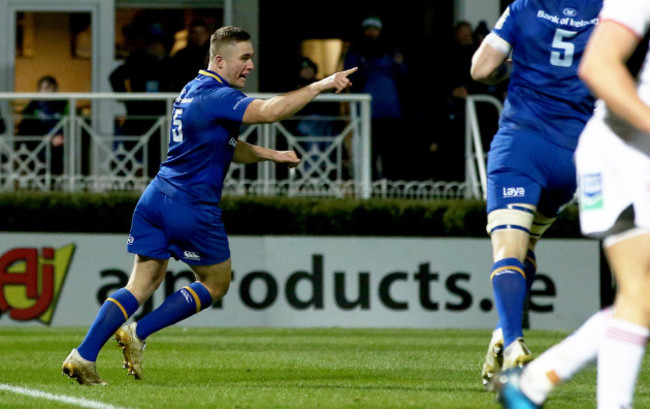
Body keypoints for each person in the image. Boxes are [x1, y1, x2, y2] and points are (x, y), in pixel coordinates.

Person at [61, 26, 357, 385]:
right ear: (219, 60)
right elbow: (269, 111)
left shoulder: (191, 90)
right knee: (216, 282)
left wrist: (269, 155)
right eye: (244, 58)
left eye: (251, 58)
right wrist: (319, 85)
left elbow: (223, 143)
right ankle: (138, 333)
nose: (249, 66)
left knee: (141, 283)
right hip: (191, 205)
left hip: (156, 197)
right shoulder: (217, 95)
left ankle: (83, 355)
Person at [494, 1, 650, 408]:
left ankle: (531, 383)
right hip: (624, 152)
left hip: (624, 148)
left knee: (641, 297)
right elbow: (598, 67)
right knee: (640, 293)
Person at [469, 0, 602, 390]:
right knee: (526, 246)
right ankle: (501, 332)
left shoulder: (525, 7)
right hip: (573, 156)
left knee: (508, 249)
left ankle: (513, 343)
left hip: (521, 146)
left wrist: (516, 68)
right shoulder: (609, 10)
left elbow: (480, 69)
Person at [343, 15, 409, 180]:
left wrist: (397, 63)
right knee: (369, 149)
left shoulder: (391, 51)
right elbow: (349, 78)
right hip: (367, 111)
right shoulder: (355, 52)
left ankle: (391, 184)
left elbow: (405, 75)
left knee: (391, 150)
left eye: (375, 29)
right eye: (368, 29)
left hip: (390, 110)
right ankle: (371, 184)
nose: (372, 33)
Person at [17, 75, 68, 175]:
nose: (46, 92)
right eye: (43, 88)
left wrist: (61, 135)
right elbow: (26, 124)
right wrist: (42, 136)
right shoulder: (33, 105)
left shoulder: (63, 103)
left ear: (55, 89)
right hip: (37, 143)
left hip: (58, 143)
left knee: (56, 163)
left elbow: (69, 121)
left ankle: (56, 181)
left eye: (49, 88)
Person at [167, 19, 211, 92]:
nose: (198, 36)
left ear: (207, 34)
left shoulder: (214, 54)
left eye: (202, 33)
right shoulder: (181, 55)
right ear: (190, 35)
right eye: (194, 33)